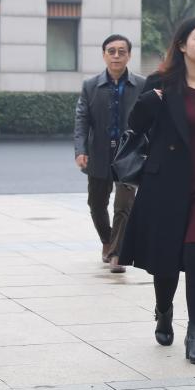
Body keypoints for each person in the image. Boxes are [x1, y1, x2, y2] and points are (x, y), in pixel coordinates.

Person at [119, 17, 195, 364]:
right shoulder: (161, 84)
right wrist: (151, 101)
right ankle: (163, 310)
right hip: (166, 188)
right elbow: (135, 125)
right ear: (182, 45)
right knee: (166, 265)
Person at [74, 34, 146, 273]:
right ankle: (107, 240)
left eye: (121, 52)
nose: (116, 56)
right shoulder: (91, 85)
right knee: (96, 204)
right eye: (111, 51)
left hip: (129, 154)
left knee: (124, 206)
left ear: (129, 55)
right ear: (104, 55)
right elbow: (82, 120)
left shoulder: (141, 85)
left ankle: (117, 253)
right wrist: (81, 150)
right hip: (98, 153)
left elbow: (151, 119)